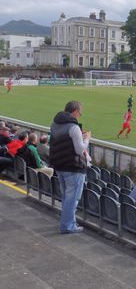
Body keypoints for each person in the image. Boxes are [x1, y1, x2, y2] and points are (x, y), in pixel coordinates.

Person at [49, 100, 90, 234]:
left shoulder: (55, 123)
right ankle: (67, 226)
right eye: (80, 113)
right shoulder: (73, 127)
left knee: (67, 197)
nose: (79, 116)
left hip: (59, 165)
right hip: (73, 166)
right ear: (74, 112)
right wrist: (86, 139)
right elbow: (80, 150)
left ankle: (69, 222)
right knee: (72, 199)